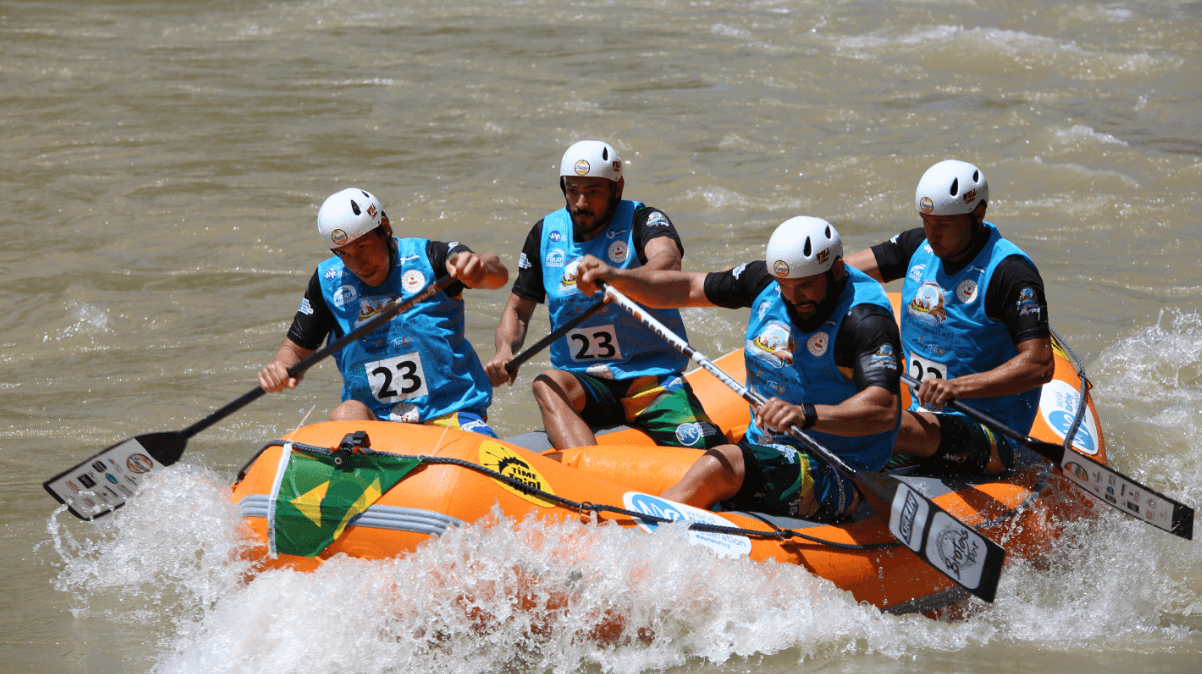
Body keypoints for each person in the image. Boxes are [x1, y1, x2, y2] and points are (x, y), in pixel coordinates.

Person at [575, 217, 902, 522]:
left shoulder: (865, 320)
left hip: (838, 469)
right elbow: (687, 287)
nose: (793, 297)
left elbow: (884, 408)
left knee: (719, 466)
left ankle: (633, 544)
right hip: (768, 446)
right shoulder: (764, 282)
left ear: (837, 270)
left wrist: (805, 414)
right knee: (704, 464)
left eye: (806, 285)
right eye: (785, 285)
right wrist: (619, 279)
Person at [484, 140, 724, 450]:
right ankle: (585, 476)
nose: (581, 203)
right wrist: (505, 350)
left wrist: (617, 278)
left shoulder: (644, 220)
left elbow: (668, 262)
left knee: (710, 452)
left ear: (617, 187)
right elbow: (518, 310)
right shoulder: (545, 233)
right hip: (585, 383)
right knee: (546, 382)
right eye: (572, 190)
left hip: (648, 380)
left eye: (594, 191)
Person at [845, 159, 1054, 474]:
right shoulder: (919, 246)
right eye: (926, 221)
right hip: (925, 418)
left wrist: (957, 388)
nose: (932, 233)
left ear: (978, 214)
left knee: (880, 423)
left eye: (944, 224)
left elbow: (1040, 365)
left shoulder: (1010, 273)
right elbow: (838, 274)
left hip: (990, 433)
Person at [259, 187, 509, 436]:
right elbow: (295, 351)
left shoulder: (434, 258)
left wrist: (480, 266)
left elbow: (497, 276)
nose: (357, 264)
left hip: (450, 413)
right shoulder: (327, 282)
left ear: (385, 228)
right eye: (344, 253)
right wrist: (281, 367)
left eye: (363, 247)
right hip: (378, 424)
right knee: (344, 414)